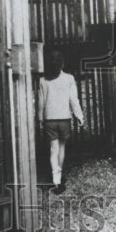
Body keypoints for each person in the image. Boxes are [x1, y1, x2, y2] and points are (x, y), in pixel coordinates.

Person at [38, 49, 84, 194]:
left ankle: (55, 180)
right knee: (62, 148)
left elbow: (41, 103)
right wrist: (79, 115)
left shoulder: (43, 81)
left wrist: (40, 118)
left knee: (53, 150)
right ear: (62, 64)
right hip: (64, 119)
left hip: (49, 119)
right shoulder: (69, 79)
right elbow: (73, 100)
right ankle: (60, 175)